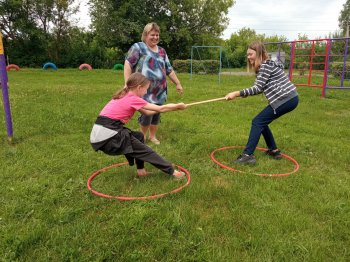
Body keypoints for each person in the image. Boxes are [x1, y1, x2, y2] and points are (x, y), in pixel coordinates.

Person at [90, 72, 187, 179]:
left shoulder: (125, 95)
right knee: (145, 151)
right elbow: (160, 108)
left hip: (101, 135)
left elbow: (147, 112)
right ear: (139, 87)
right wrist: (178, 106)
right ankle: (173, 172)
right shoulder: (133, 98)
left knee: (139, 136)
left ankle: (141, 171)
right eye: (146, 89)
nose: (146, 92)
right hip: (109, 138)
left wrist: (173, 109)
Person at [225, 41, 299, 164]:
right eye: (247, 55)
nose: (248, 57)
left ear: (259, 53)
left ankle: (248, 155)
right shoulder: (266, 65)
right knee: (261, 121)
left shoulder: (265, 66)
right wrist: (245, 94)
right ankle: (273, 150)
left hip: (285, 99)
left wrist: (236, 93)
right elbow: (261, 87)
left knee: (258, 121)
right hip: (290, 98)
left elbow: (258, 88)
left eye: (251, 54)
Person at [124, 22, 183, 145]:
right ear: (146, 35)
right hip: (143, 91)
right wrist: (127, 83)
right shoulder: (138, 47)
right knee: (147, 115)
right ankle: (142, 137)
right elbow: (128, 64)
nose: (155, 37)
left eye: (157, 35)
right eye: (152, 35)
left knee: (157, 114)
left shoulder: (162, 51)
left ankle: (152, 136)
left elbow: (169, 69)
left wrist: (177, 83)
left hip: (160, 91)